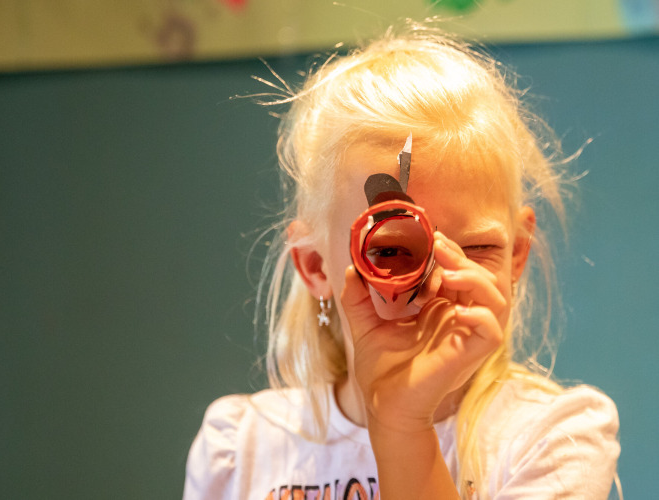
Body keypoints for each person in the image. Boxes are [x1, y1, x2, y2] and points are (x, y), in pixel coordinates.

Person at [183, 21, 620, 499]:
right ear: (315, 266)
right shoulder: (241, 448)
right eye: (390, 251)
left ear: (516, 254)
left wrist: (402, 425)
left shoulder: (553, 440)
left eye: (477, 250)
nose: (436, 281)